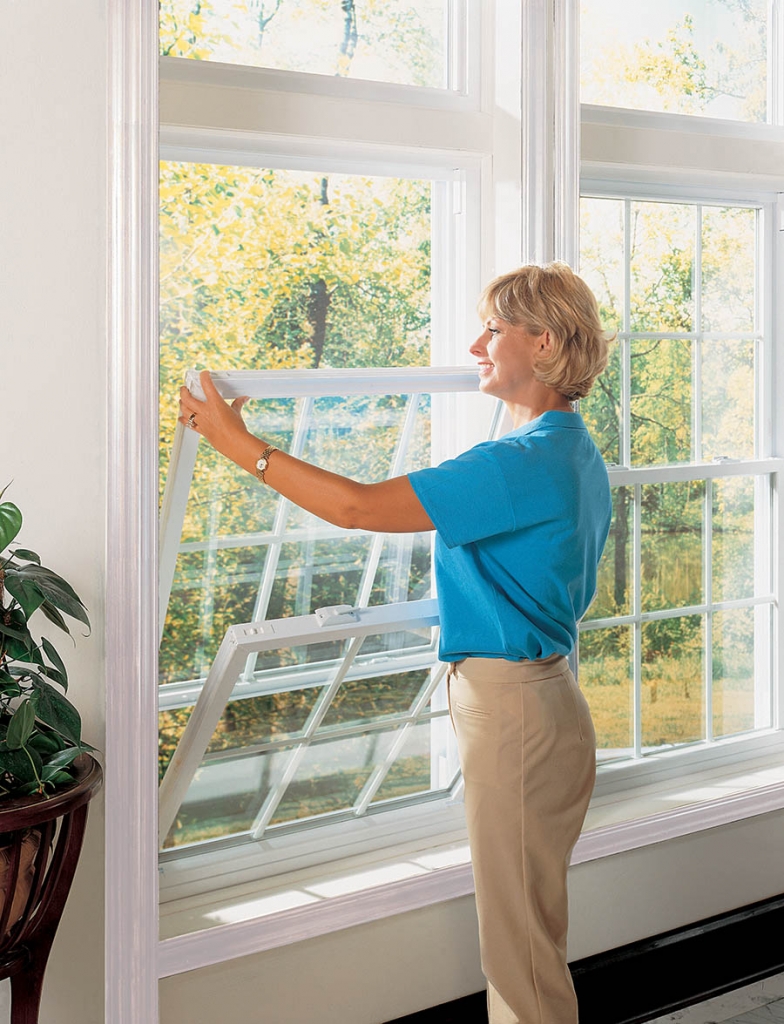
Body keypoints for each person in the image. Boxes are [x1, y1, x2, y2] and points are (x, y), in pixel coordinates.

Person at [179, 261, 612, 1024]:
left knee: (522, 962)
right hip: (546, 704)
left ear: (542, 342)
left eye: (495, 327)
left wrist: (236, 443)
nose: (477, 344)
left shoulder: (519, 464)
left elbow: (353, 509)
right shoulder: (570, 447)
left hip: (516, 714)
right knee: (528, 940)